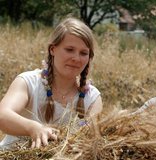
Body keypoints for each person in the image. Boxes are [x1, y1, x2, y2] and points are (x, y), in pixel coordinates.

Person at [0, 17, 102, 149]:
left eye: (83, 53)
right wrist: (33, 128)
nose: (76, 58)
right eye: (69, 49)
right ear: (52, 49)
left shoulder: (92, 98)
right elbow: (3, 115)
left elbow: (92, 138)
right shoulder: (28, 82)